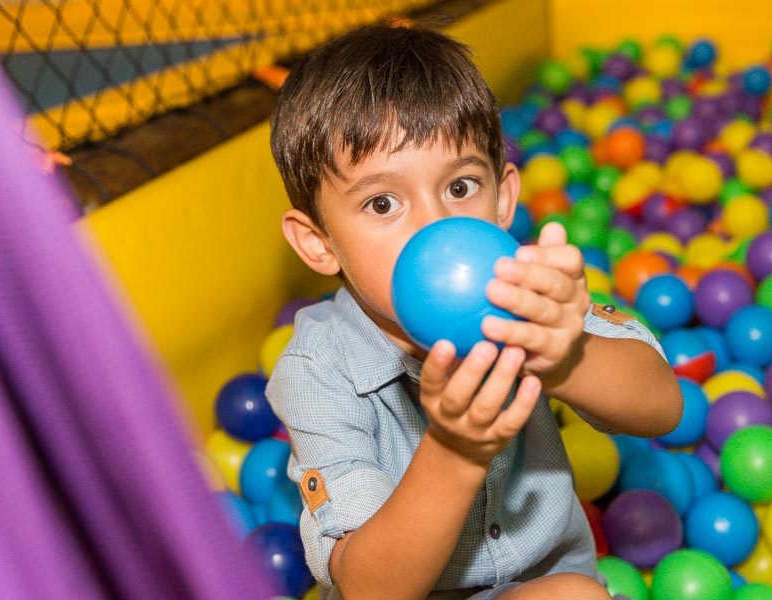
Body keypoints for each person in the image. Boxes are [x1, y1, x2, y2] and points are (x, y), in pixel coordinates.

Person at [266, 24, 682, 600]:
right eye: (382, 203)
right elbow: (368, 589)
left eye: (460, 187)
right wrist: (454, 450)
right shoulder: (315, 372)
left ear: (504, 199)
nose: (437, 228)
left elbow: (664, 408)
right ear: (319, 243)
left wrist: (565, 358)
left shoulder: (531, 299)